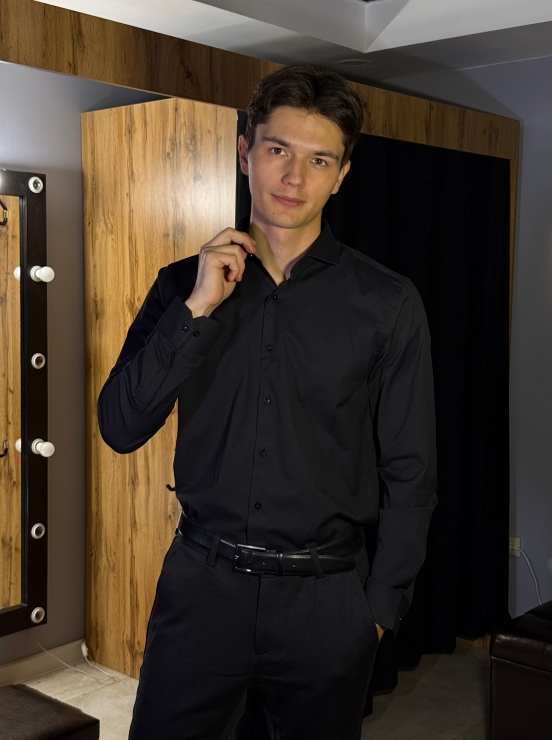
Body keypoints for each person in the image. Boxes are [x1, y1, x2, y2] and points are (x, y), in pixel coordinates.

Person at [98, 61, 438, 740]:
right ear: (245, 152)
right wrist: (196, 310)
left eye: (319, 160)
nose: (294, 177)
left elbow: (411, 469)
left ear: (341, 175)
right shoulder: (181, 286)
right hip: (201, 588)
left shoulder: (388, 302)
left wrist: (376, 609)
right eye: (279, 150)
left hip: (326, 600)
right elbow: (120, 425)